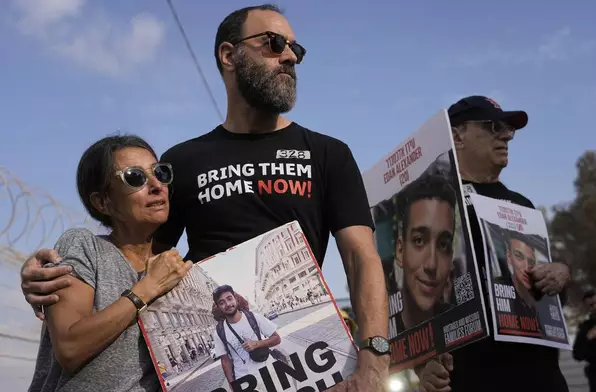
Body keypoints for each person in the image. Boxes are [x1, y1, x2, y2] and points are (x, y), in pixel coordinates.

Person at [19, 5, 390, 390]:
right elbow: (138, 257)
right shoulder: (182, 161)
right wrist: (51, 277)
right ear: (229, 55)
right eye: (274, 43)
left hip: (308, 371)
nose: (290, 56)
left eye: (296, 48)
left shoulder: (327, 153)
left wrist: (375, 359)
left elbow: (361, 257)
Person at [418, 96, 572, 392]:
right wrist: (420, 366)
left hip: (541, 376)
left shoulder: (522, 205)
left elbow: (547, 296)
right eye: (493, 126)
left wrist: (560, 275)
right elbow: (409, 298)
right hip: (471, 377)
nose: (506, 136)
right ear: (457, 135)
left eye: (509, 129)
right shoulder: (428, 203)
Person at [27, 135, 192, 392]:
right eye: (135, 177)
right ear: (102, 202)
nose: (157, 186)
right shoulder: (85, 246)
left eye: (160, 173)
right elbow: (70, 348)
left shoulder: (174, 270)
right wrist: (146, 289)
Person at [390, 174, 456, 337]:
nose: (431, 264)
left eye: (443, 245)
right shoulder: (377, 333)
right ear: (400, 251)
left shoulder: (461, 330)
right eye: (419, 240)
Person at [212, 285, 281, 384]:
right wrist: (232, 385)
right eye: (222, 303)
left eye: (229, 298)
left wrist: (256, 344)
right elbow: (225, 361)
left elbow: (277, 338)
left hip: (269, 372)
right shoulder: (219, 332)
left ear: (235, 299)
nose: (227, 304)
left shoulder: (254, 317)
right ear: (218, 307)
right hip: (245, 381)